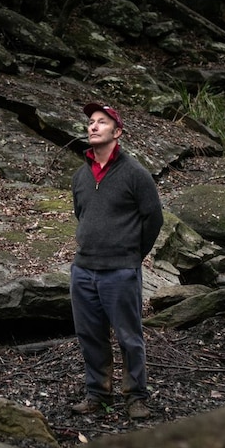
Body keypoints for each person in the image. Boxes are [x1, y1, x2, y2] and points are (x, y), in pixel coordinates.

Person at [69, 103, 164, 420]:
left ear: (117, 131)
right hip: (83, 270)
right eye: (91, 122)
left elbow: (153, 218)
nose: (93, 127)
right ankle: (98, 393)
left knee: (128, 337)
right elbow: (81, 214)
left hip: (120, 271)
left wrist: (134, 255)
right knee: (90, 335)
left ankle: (136, 396)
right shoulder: (80, 176)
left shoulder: (135, 174)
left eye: (102, 122)